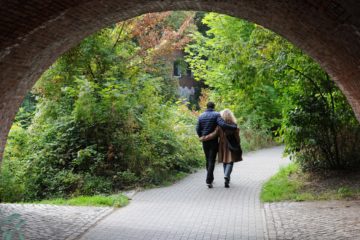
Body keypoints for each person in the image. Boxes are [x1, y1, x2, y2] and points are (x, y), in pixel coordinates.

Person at [196, 102, 237, 188]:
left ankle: (210, 179)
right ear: (214, 107)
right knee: (211, 161)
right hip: (213, 141)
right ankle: (209, 180)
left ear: (206, 106)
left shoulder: (201, 115)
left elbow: (197, 128)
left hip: (205, 140)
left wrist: (201, 136)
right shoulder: (216, 114)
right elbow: (222, 124)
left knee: (207, 160)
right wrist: (234, 127)